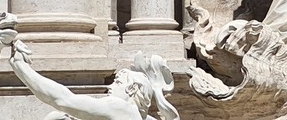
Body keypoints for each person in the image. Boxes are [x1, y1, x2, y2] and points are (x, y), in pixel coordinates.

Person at [10, 43, 179, 120]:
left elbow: (62, 99)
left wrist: (20, 67)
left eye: (118, 82)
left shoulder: (120, 107)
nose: (110, 86)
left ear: (132, 89)